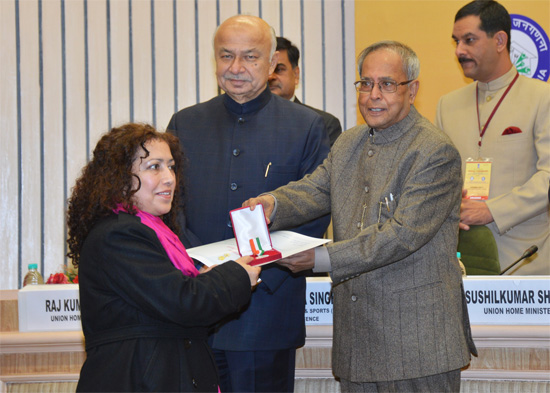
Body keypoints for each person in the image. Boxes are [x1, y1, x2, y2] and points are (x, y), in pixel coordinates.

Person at [244, 41, 477, 392]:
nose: (373, 95)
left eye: (386, 84)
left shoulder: (434, 151)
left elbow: (400, 236)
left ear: (412, 89)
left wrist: (319, 259)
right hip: (357, 344)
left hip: (417, 346)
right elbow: (315, 189)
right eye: (365, 84)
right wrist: (272, 204)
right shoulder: (348, 143)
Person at [166, 15, 330, 393]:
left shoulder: (307, 127)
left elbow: (317, 209)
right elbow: (169, 207)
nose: (236, 68)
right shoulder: (185, 123)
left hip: (267, 309)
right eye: (226, 56)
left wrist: (252, 273)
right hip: (195, 307)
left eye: (250, 57)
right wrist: (195, 268)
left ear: (273, 62)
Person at [67, 123, 260, 392]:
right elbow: (183, 301)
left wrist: (212, 280)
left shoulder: (152, 231)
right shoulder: (118, 234)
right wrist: (236, 275)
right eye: (154, 166)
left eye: (171, 166)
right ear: (119, 177)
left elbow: (175, 305)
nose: (169, 177)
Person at [435, 0, 550, 275]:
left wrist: (492, 210)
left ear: (500, 40)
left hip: (525, 262)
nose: (459, 50)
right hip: (459, 264)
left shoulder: (542, 98)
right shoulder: (446, 105)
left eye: (469, 40)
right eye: (456, 41)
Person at [268, 36, 342, 146]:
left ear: (296, 74)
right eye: (267, 70)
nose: (271, 77)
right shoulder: (246, 121)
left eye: (279, 69)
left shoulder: (324, 124)